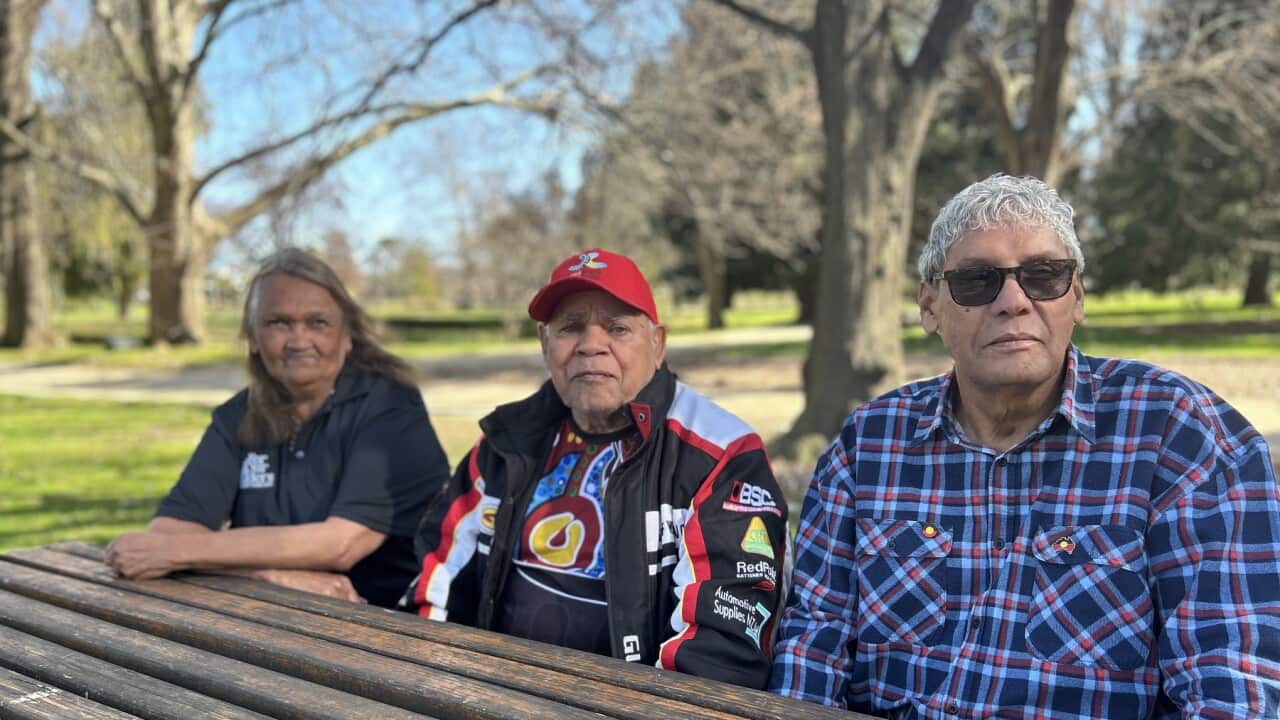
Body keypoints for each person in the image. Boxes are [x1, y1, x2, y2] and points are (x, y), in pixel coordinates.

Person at [769, 175, 1280, 717]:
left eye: (1044, 276)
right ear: (929, 307)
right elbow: (812, 654)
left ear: (1076, 296)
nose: (1013, 302)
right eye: (976, 281)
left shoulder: (1180, 435)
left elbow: (1230, 683)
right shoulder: (869, 446)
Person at [403, 248, 789, 688]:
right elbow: (437, 584)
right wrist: (435, 685)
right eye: (570, 327)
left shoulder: (721, 453)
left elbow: (721, 651)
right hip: (490, 690)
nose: (590, 344)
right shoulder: (505, 443)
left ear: (658, 345)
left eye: (617, 328)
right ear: (544, 343)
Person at [105, 248, 450, 608]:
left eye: (318, 322)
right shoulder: (237, 415)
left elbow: (340, 544)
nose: (298, 341)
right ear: (252, 338)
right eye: (278, 323)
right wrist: (264, 576)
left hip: (392, 623)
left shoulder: (390, 407)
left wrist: (182, 555)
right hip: (275, 616)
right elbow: (169, 533)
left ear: (348, 336)